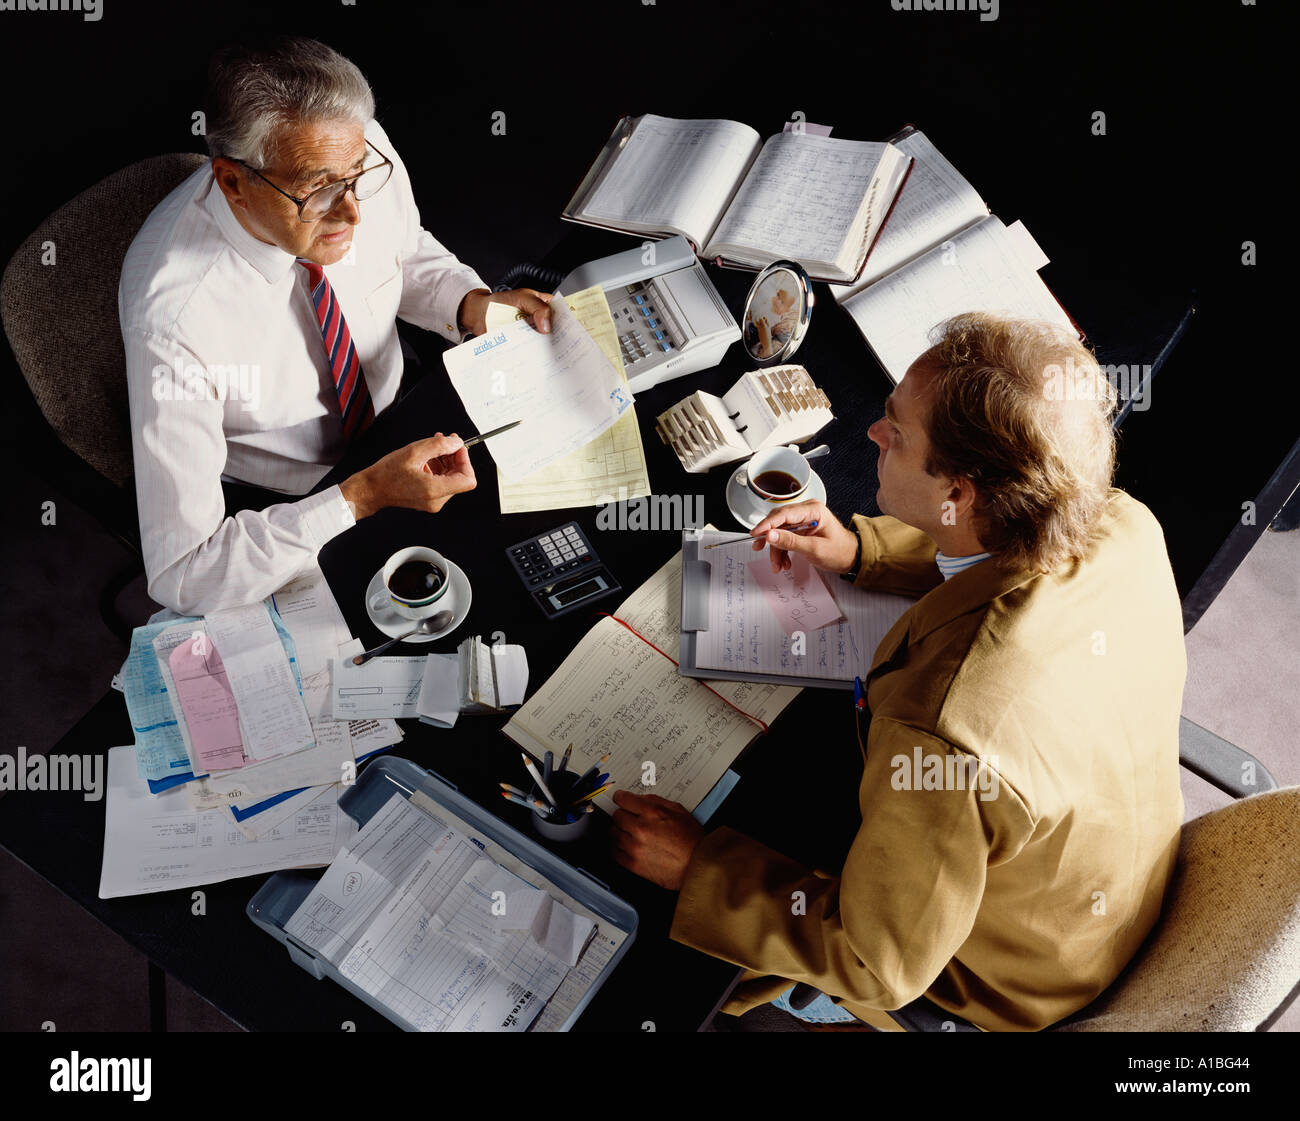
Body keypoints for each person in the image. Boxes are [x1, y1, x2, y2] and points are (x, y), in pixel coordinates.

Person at [610, 312, 1187, 1031]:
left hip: (1012, 975)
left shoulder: (945, 733)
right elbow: (1007, 559)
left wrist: (698, 869)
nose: (873, 435)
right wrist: (862, 551)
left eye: (897, 431)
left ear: (962, 494)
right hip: (1094, 886)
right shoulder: (1122, 524)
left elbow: (877, 963)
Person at [119, 37, 550, 615]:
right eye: (318, 189)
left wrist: (471, 306)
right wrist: (363, 494)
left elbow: (407, 251)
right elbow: (185, 575)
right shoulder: (173, 322)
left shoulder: (355, 145)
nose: (352, 212)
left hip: (406, 408)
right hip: (307, 493)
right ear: (232, 183)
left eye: (355, 176)